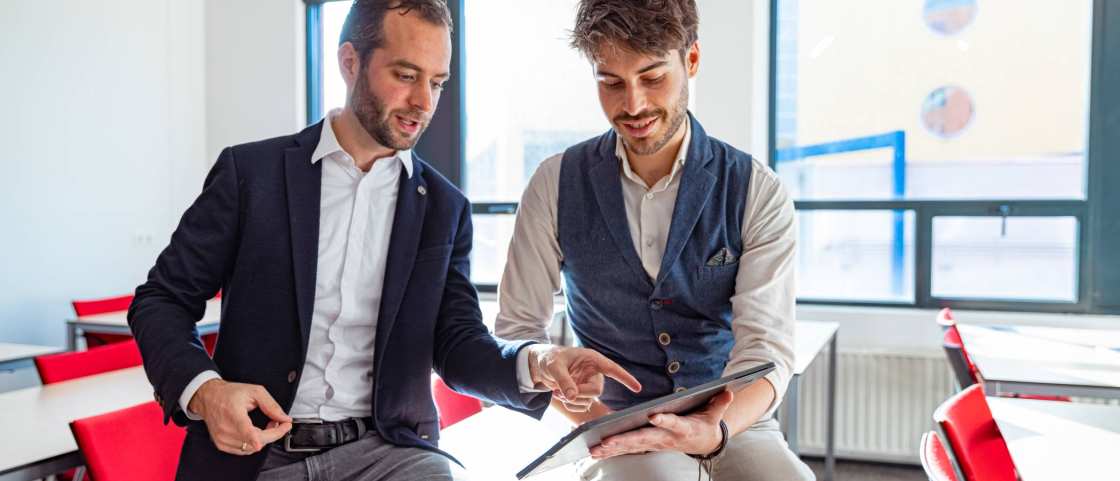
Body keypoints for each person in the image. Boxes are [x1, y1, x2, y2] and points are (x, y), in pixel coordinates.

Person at [128, 1, 639, 480]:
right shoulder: (251, 174)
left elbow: (457, 344)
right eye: (405, 75)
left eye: (438, 82)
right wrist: (206, 391)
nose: (424, 101)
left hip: (387, 453)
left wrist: (539, 362)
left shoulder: (444, 208)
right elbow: (162, 300)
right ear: (350, 62)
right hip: (258, 455)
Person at [494, 0, 814, 479]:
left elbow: (766, 353)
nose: (634, 105)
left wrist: (716, 428)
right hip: (614, 421)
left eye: (653, 77)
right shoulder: (553, 184)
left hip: (729, 417)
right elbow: (518, 331)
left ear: (692, 61)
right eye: (611, 83)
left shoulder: (756, 189)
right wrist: (594, 420)